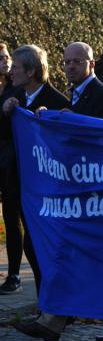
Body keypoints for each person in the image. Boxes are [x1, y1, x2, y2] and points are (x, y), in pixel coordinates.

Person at [13, 42, 103, 341]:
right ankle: (58, 320)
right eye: (66, 62)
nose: (70, 66)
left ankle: (56, 320)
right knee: (81, 256)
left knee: (88, 257)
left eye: (77, 61)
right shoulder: (76, 97)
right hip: (81, 191)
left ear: (92, 64)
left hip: (98, 193)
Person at [2, 45, 70, 297]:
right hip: (18, 182)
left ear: (30, 71)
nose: (11, 72)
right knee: (30, 244)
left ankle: (54, 301)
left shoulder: (58, 102)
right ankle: (46, 302)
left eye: (16, 67)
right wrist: (5, 110)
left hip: (46, 190)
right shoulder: (15, 96)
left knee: (42, 243)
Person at [0, 43, 23, 295]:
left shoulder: (17, 89)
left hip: (11, 161)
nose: (6, 61)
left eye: (7, 57)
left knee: (12, 215)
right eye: (1, 58)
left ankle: (15, 273)